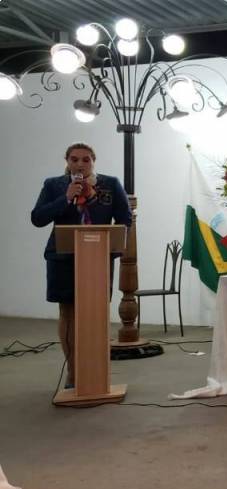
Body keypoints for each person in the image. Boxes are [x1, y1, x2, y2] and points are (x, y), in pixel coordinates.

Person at [30, 143, 132, 389]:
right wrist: (66, 198)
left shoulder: (110, 184)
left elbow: (125, 219)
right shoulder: (53, 185)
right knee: (68, 311)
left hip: (97, 259)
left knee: (96, 312)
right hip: (62, 258)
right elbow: (38, 218)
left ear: (93, 161)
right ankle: (74, 371)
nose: (80, 164)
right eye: (74, 159)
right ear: (67, 161)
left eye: (86, 159)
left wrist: (112, 249)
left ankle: (96, 371)